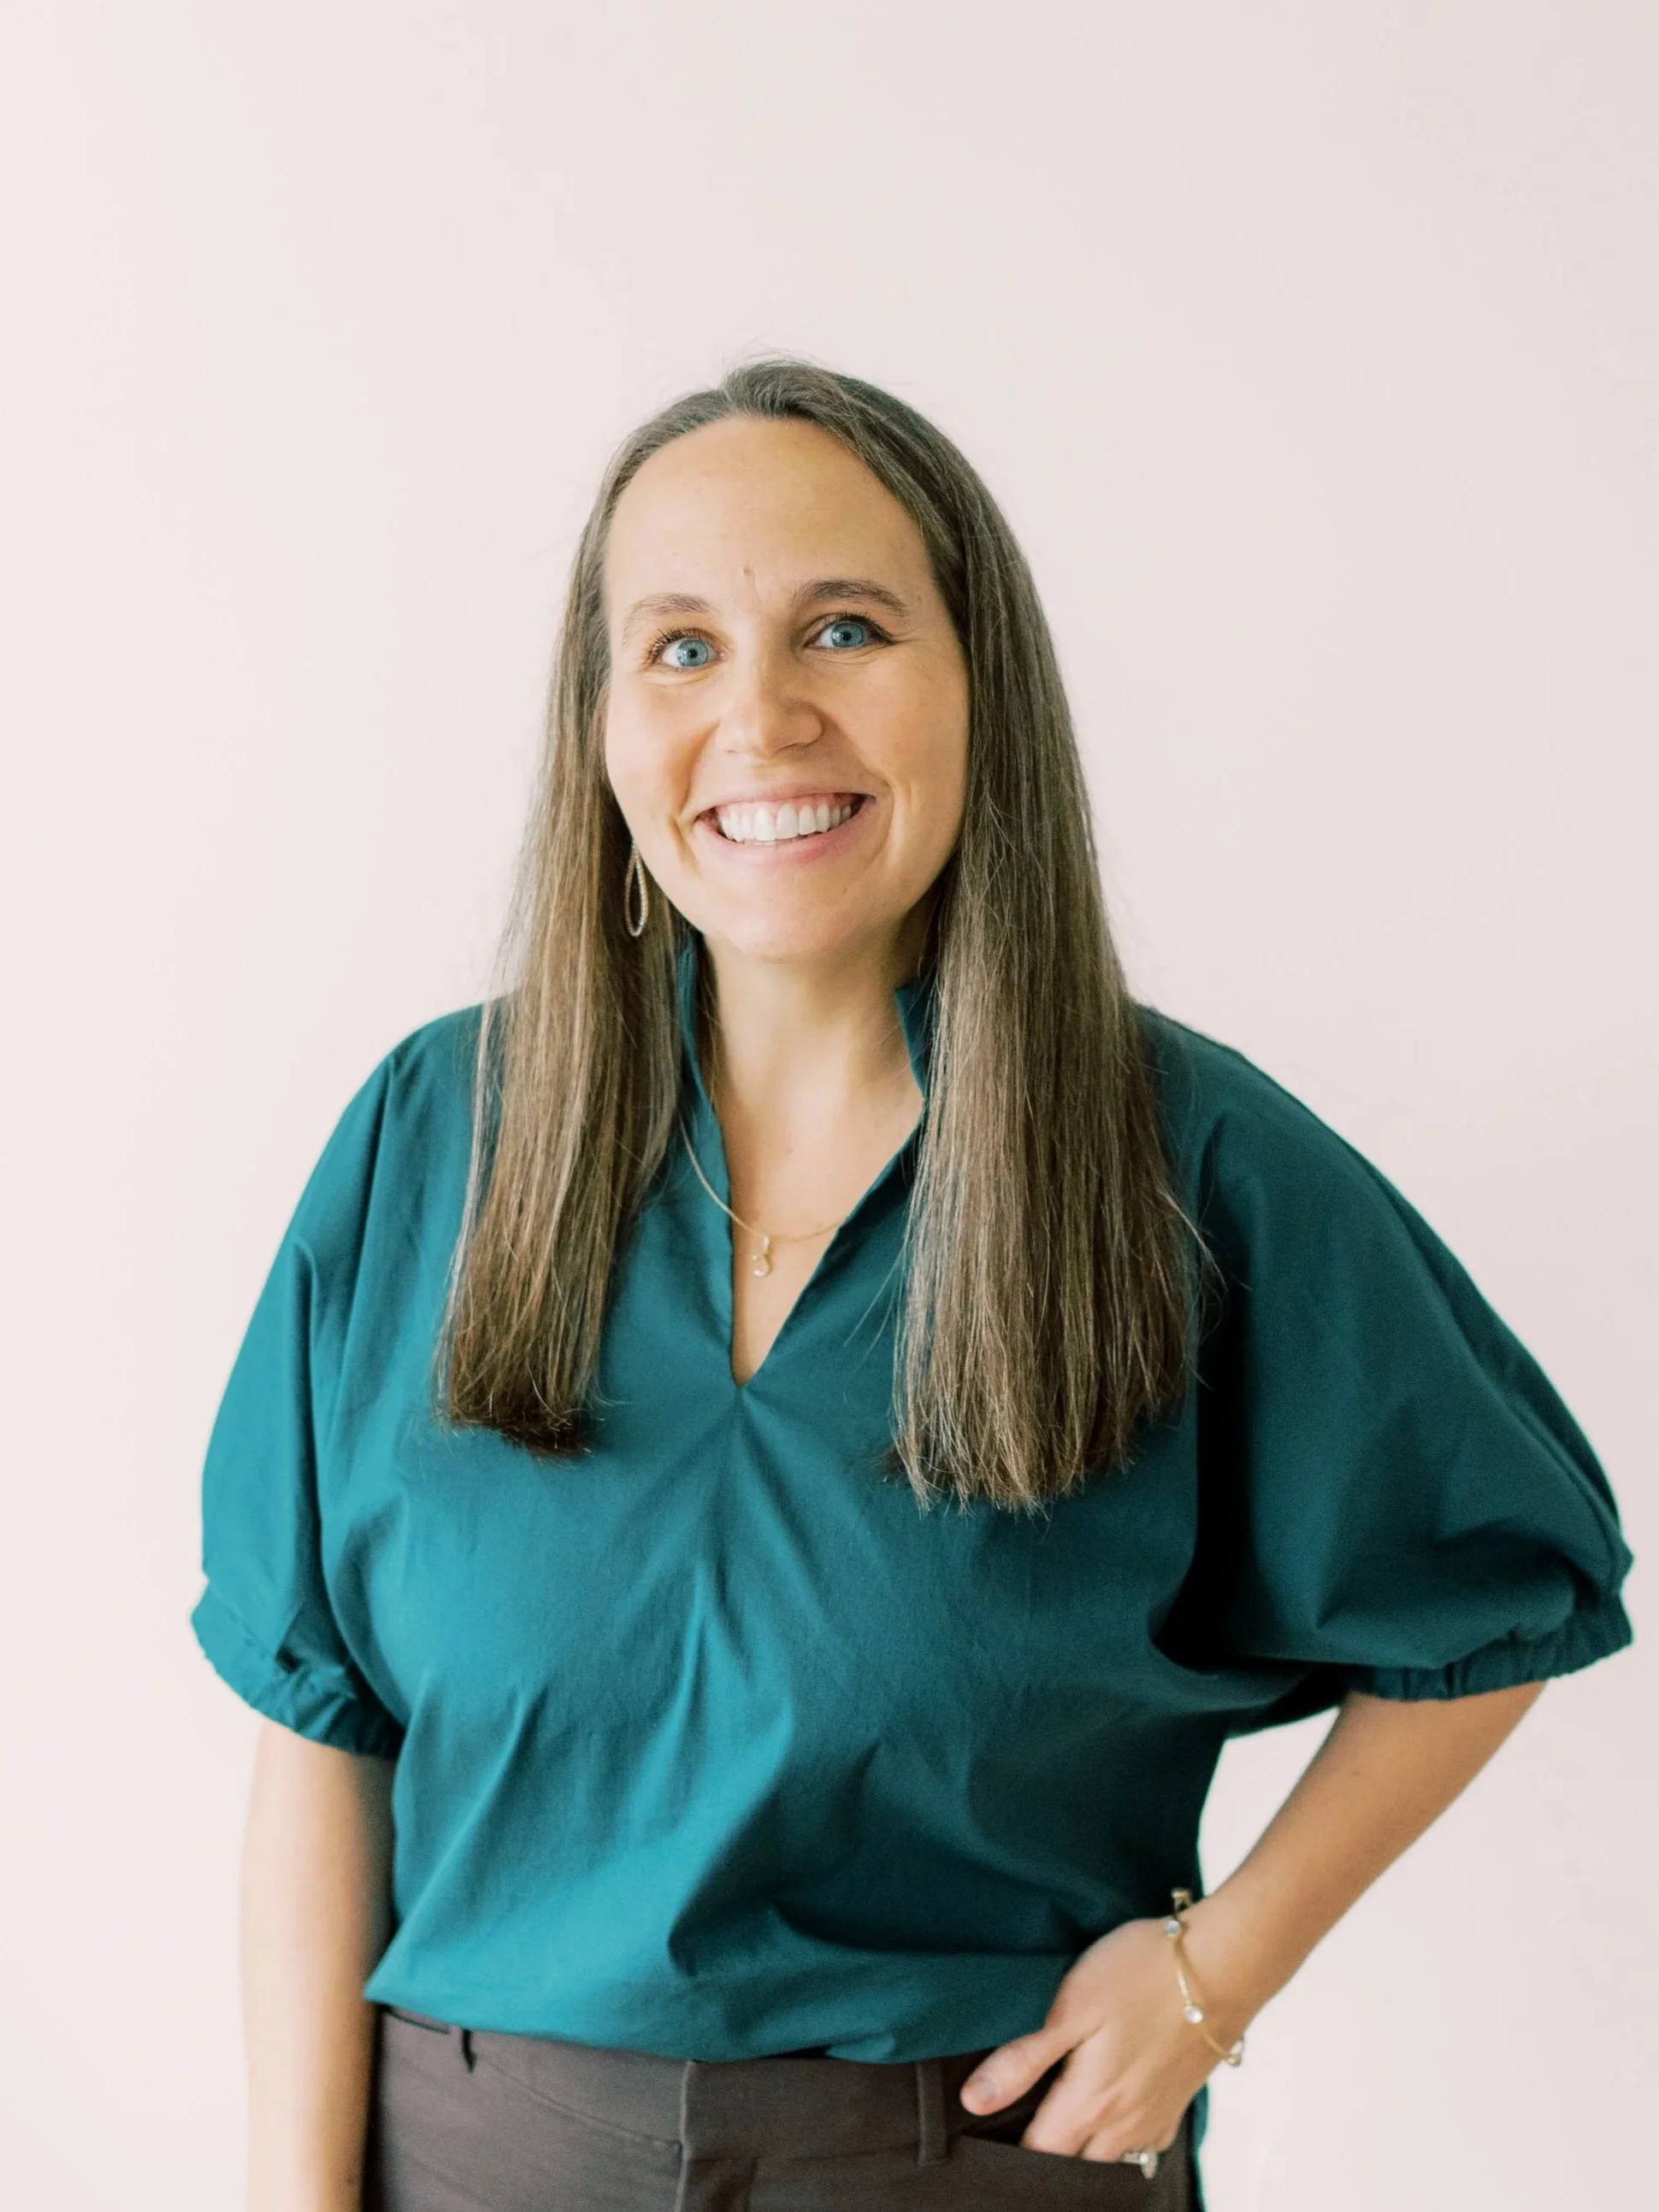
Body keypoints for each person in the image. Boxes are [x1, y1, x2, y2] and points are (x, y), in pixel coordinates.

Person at [192, 358, 1634, 2212]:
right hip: (472, 2160)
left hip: (966, 2166)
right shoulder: (430, 1140)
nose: (763, 715)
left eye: (845, 628)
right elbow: (323, 1741)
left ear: (979, 687)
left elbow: (1507, 1585)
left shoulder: (1184, 1168)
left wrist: (1219, 1973)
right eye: (681, 648)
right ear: (604, 729)